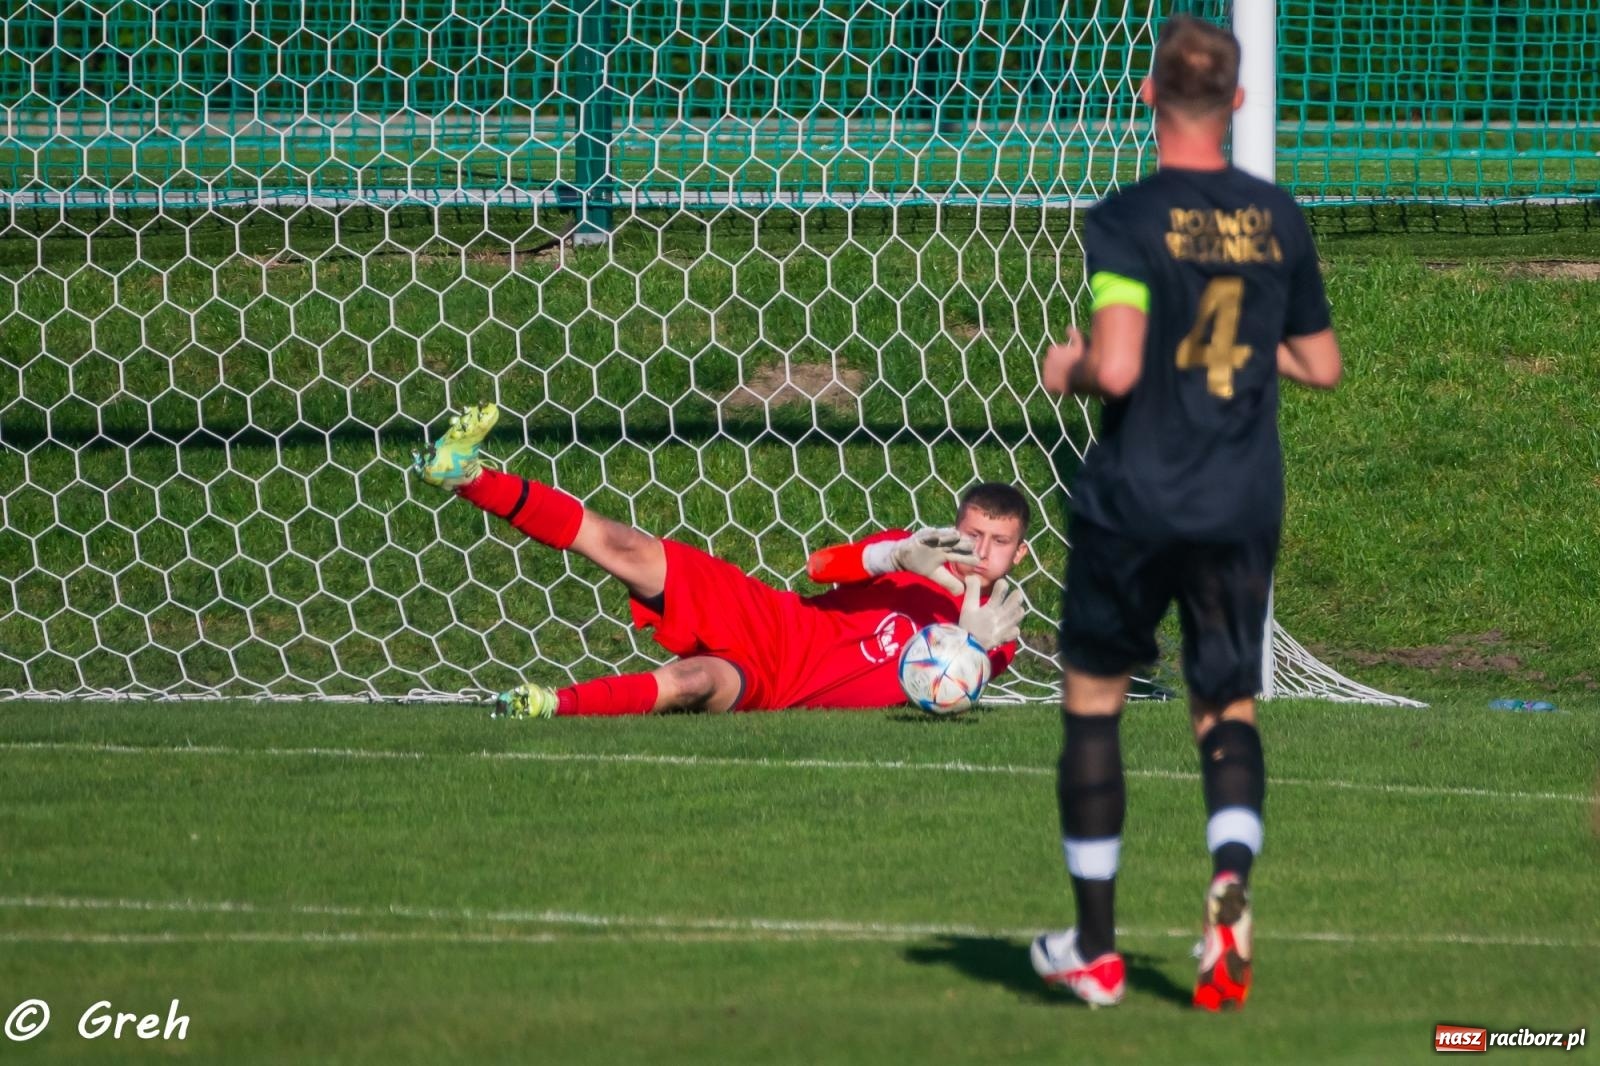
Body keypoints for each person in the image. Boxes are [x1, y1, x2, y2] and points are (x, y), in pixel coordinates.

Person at [1030, 15, 1343, 1011]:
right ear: (1238, 102)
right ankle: (1227, 880)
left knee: (1094, 704)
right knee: (1226, 707)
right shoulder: (1275, 217)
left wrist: (1067, 364)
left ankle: (1093, 948)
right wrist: (1255, 335)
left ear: (1147, 97)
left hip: (1136, 496)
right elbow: (1321, 364)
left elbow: (1117, 361)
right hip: (1238, 500)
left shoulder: (1127, 217)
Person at [411, 403, 1029, 717]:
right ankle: (465, 475)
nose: (981, 551)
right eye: (973, 533)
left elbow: (941, 697)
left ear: (1019, 551)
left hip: (780, 689)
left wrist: (968, 644)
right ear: (957, 526)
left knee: (691, 684)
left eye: (998, 543)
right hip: (776, 621)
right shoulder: (915, 550)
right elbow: (817, 567)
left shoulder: (999, 630)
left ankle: (547, 704)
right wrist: (892, 552)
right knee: (625, 547)